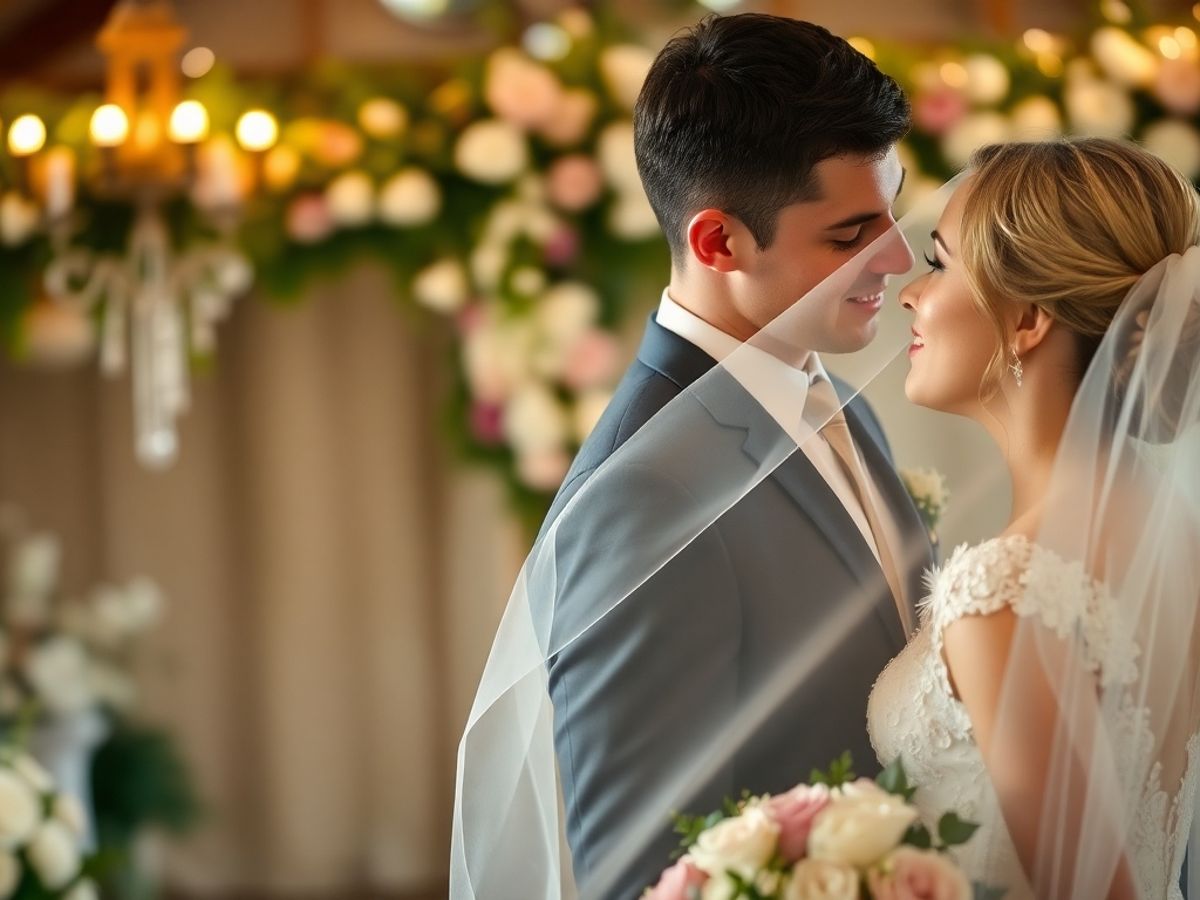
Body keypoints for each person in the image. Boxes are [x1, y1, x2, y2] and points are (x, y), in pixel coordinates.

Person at [525, 12, 930, 898]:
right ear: (719, 242)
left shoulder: (827, 393)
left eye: (892, 214)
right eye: (850, 233)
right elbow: (639, 874)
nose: (898, 257)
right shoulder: (643, 495)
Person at [869, 138, 1200, 899]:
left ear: (1026, 320)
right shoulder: (1174, 530)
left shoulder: (1007, 592)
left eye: (940, 263)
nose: (910, 294)